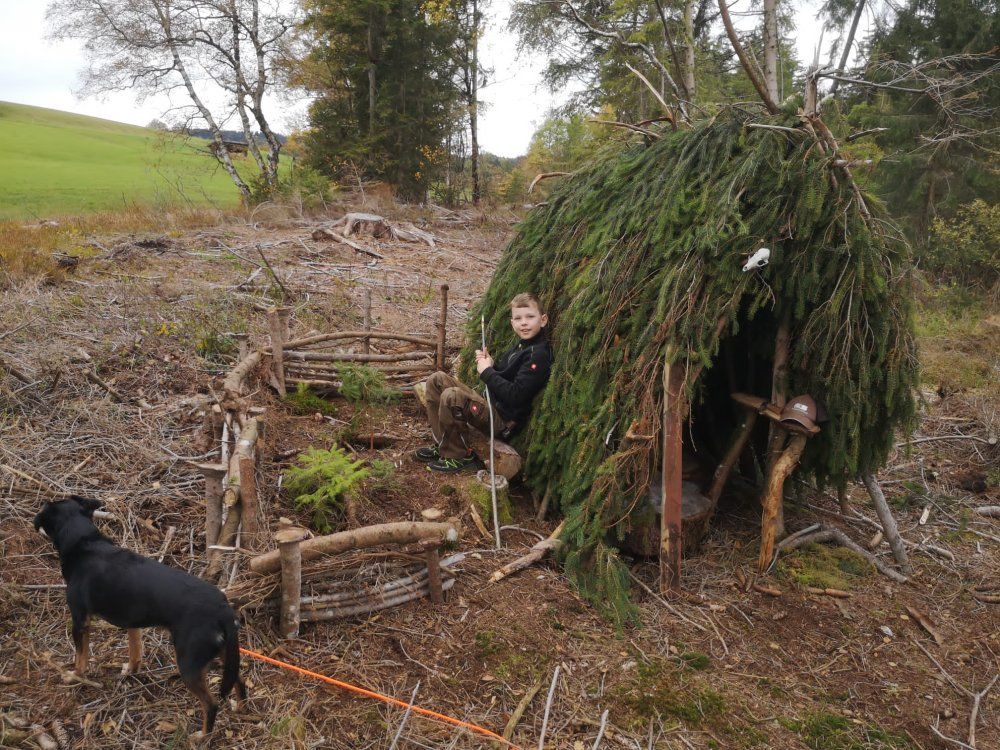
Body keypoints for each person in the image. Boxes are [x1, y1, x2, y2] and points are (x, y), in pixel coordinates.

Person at [415, 293, 553, 472]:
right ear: (512, 323)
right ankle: (442, 443)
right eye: (518, 318)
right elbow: (505, 378)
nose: (524, 323)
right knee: (437, 379)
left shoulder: (538, 355)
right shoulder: (521, 346)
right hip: (490, 405)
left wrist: (487, 372)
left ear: (543, 320)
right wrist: (492, 365)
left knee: (452, 396)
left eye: (530, 317)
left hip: (502, 421)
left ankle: (458, 456)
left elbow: (516, 396)